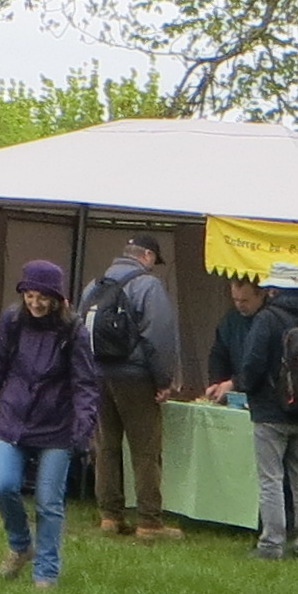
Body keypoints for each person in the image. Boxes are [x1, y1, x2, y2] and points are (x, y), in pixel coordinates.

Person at [0, 259, 101, 587]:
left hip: (57, 426)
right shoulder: (11, 321)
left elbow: (85, 384)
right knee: (2, 485)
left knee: (48, 503)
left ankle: (46, 572)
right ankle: (20, 544)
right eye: (29, 296)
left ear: (57, 298)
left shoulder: (73, 331)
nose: (35, 303)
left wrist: (83, 428)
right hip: (12, 418)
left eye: (42, 297)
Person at [221, 260, 298, 558]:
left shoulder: (267, 319)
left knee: (271, 479)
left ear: (272, 290)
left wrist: (244, 388)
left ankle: (272, 543)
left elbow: (252, 364)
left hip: (270, 412)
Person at [83, 232, 184, 541]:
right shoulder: (148, 286)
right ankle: (149, 522)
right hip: (135, 377)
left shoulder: (94, 285)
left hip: (98, 375)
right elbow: (158, 336)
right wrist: (163, 380)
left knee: (106, 447)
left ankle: (110, 517)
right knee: (145, 450)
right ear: (148, 256)